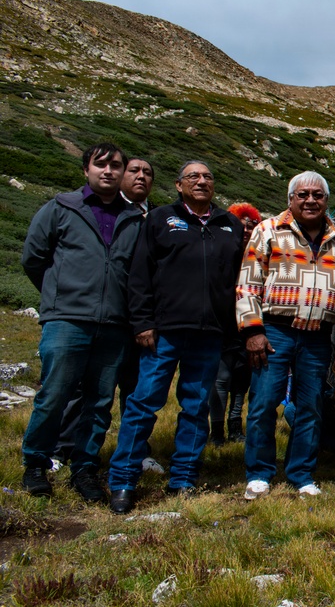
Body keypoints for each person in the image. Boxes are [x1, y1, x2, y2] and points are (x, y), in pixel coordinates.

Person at [107, 161, 243, 514]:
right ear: (179, 185)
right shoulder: (159, 219)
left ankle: (183, 479)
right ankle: (122, 479)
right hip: (163, 332)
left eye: (208, 176)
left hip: (209, 334)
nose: (202, 181)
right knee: (143, 403)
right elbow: (139, 274)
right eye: (194, 177)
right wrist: (142, 323)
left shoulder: (229, 224)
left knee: (196, 408)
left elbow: (237, 282)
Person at [20, 143, 143, 501]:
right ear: (86, 170)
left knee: (99, 401)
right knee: (53, 394)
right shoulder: (60, 208)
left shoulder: (134, 218)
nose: (108, 171)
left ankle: (85, 469)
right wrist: (58, 297)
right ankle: (36, 463)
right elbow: (33, 258)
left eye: (116, 165)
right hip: (67, 321)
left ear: (124, 172)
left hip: (115, 325)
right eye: (100, 164)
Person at [237, 172, 335, 500]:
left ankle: (301, 473)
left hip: (318, 337)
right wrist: (252, 330)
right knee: (263, 402)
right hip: (275, 330)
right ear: (291, 199)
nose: (311, 200)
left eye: (318, 195)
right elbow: (248, 282)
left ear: (326, 200)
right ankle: (259, 473)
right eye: (303, 195)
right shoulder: (268, 230)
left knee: (311, 407)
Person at [53, 157, 157, 468]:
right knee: (84, 387)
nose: (140, 177)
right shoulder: (104, 211)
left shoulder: (156, 217)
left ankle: (135, 450)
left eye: (148, 173)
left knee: (136, 389)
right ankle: (64, 448)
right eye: (134, 170)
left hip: (140, 321)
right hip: (100, 317)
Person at [209, 202, 261, 445]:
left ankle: (235, 426)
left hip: (248, 325)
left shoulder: (257, 257)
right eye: (243, 226)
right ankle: (217, 430)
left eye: (251, 227)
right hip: (222, 323)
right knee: (221, 378)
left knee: (242, 380)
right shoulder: (223, 254)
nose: (247, 230)